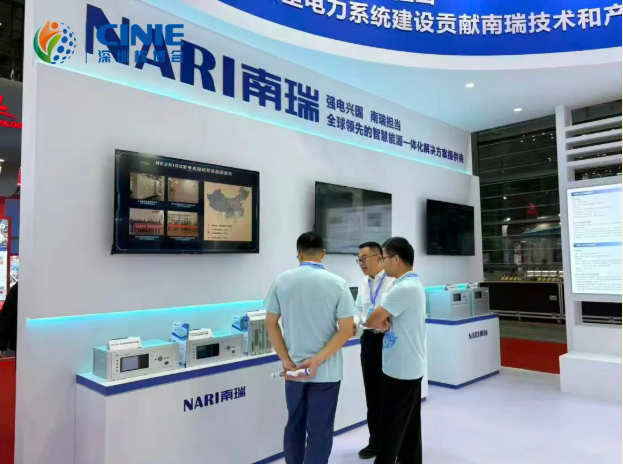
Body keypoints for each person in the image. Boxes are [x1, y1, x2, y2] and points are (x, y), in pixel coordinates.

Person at [264, 232, 357, 464]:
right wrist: (316, 361)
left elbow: (270, 323)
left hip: (293, 371)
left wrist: (285, 360)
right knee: (320, 432)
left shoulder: (281, 281)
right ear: (323, 253)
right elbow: (346, 330)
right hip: (326, 373)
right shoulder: (338, 284)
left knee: (294, 425)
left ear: (299, 254)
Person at [365, 237, 426, 464]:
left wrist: (377, 322)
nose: (382, 263)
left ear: (397, 259)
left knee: (391, 424)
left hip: (400, 367)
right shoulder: (413, 284)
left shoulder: (402, 288)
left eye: (384, 258)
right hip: (410, 363)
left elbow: (372, 320)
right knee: (410, 421)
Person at [354, 241, 394, 460]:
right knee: (372, 393)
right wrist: (357, 323)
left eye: (364, 259)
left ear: (379, 258)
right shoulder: (362, 283)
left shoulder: (393, 281)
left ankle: (392, 444)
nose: (361, 263)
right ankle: (375, 442)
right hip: (369, 340)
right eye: (359, 260)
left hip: (389, 340)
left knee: (390, 393)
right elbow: (358, 310)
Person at [0, 282, 18, 357]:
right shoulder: (17, 288)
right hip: (18, 337)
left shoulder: (17, 288)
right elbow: (6, 317)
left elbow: (6, 317)